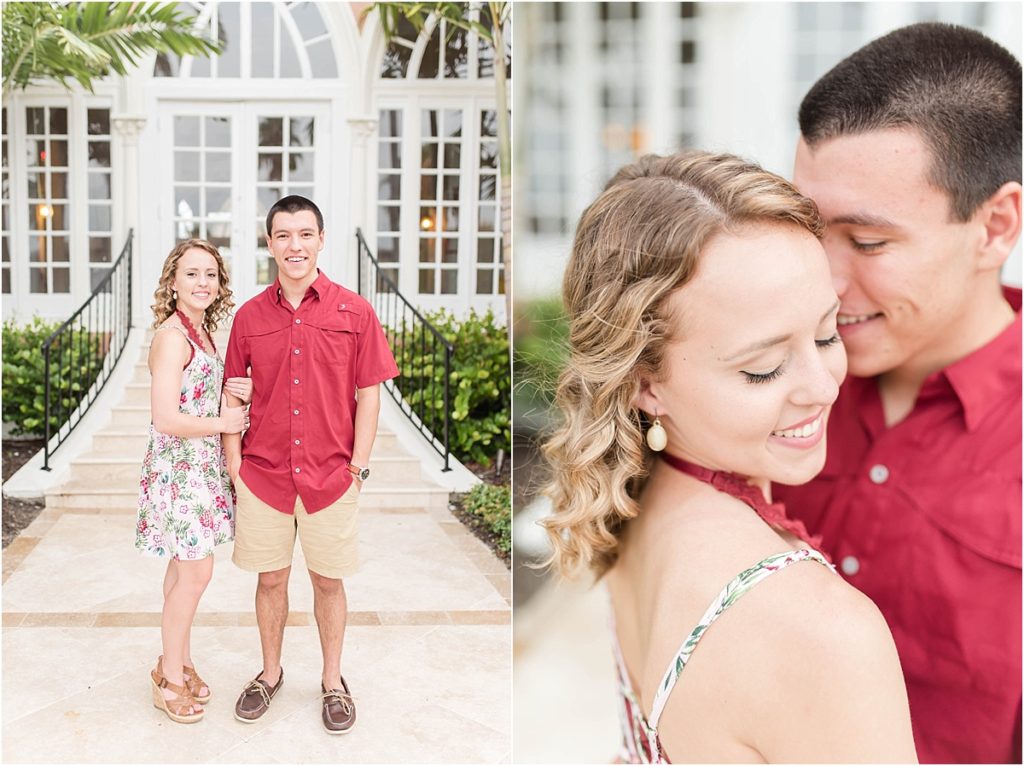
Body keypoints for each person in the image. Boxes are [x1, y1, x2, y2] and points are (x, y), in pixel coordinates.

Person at [542, 151, 918, 763]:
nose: (823, 386)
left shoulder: (635, 501)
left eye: (827, 333)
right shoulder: (822, 631)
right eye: (762, 368)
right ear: (644, 382)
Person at [774, 23, 1022, 764]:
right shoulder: (763, 376)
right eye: (807, 229)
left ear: (994, 226)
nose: (825, 278)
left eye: (869, 242)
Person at [222, 195, 399, 734]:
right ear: (269, 242)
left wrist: (359, 467)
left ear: (322, 240)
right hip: (265, 474)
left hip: (330, 476)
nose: (294, 245)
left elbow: (369, 394)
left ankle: (332, 681)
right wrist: (235, 466)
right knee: (271, 579)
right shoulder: (249, 317)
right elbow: (232, 395)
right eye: (283, 235)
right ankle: (270, 674)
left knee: (327, 582)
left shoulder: (355, 312)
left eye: (304, 234)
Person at [136, 238, 251, 723]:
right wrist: (226, 425)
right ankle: (172, 682)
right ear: (173, 281)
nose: (203, 282)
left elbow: (196, 395)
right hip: (178, 471)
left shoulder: (200, 333)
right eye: (192, 273)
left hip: (198, 467)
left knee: (181, 574)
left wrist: (230, 391)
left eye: (211, 274)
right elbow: (165, 417)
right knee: (197, 574)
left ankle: (174, 662)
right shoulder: (172, 337)